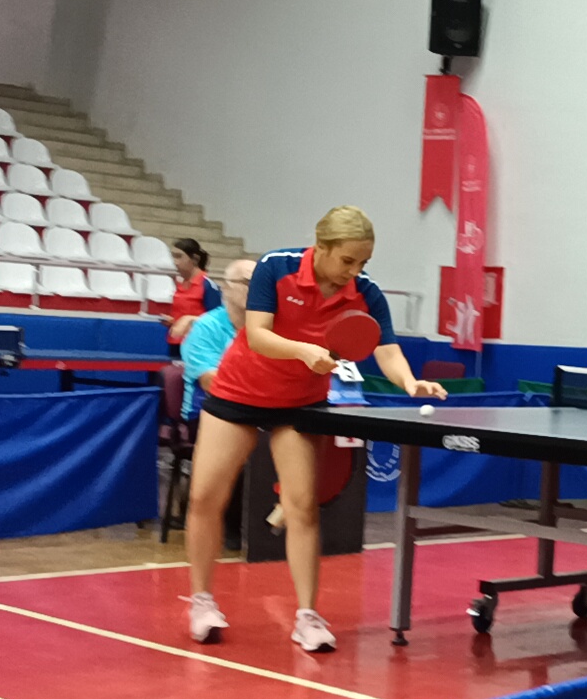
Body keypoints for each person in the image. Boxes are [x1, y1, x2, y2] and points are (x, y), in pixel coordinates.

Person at [183, 207, 446, 652]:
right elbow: (258, 334)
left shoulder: (365, 292)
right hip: (239, 391)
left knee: (302, 506)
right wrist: (305, 351)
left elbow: (386, 350)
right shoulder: (276, 267)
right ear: (320, 247)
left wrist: (409, 381)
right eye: (347, 260)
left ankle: (307, 616)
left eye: (363, 262)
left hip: (299, 404)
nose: (354, 271)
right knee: (206, 496)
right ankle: (202, 602)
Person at [179, 258, 255, 550]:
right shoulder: (207, 327)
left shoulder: (266, 329)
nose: (253, 290)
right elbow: (212, 382)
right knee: (239, 451)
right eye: (247, 283)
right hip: (207, 411)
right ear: (226, 287)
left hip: (255, 409)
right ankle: (229, 527)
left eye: (259, 284)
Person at [166, 238, 221, 349]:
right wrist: (173, 321)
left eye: (179, 256)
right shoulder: (180, 285)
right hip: (175, 343)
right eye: (173, 256)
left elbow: (216, 320)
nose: (175, 262)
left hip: (197, 346)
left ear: (195, 259)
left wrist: (190, 321)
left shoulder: (208, 286)